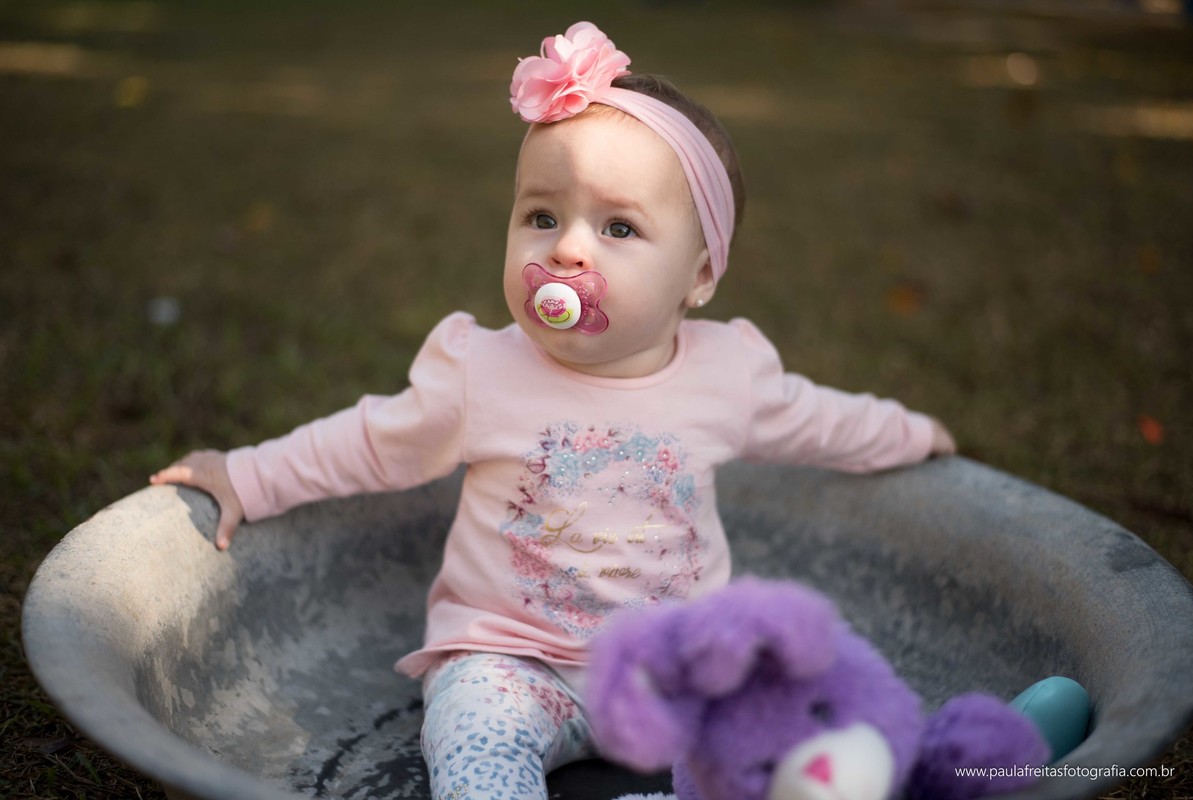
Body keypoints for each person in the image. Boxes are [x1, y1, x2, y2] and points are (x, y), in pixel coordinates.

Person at [151, 22, 959, 800]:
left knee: (772, 733)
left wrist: (913, 434)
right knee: (474, 734)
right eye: (541, 216)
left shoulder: (729, 374)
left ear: (700, 274)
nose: (567, 250)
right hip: (513, 659)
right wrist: (247, 475)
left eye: (618, 227)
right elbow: (371, 441)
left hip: (672, 671)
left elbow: (825, 422)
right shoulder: (483, 371)